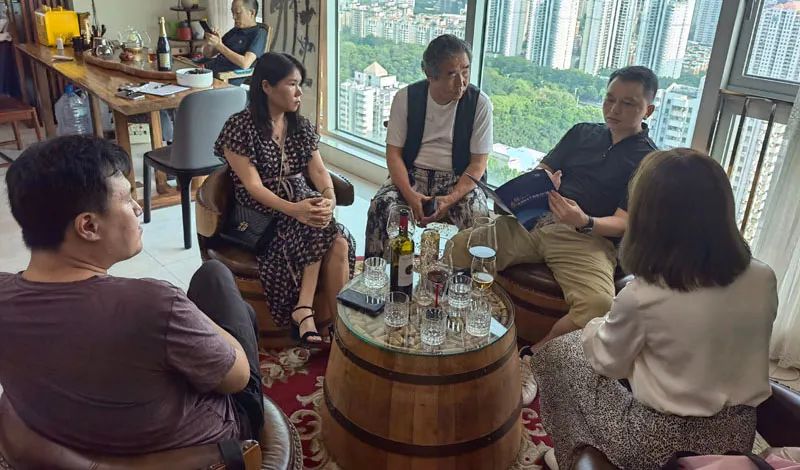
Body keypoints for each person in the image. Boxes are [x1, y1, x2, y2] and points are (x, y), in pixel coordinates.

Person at [0, 135, 264, 454]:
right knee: (218, 279)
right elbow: (238, 378)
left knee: (216, 286)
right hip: (197, 447)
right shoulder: (152, 303)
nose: (138, 208)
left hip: (73, 440)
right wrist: (194, 318)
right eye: (126, 199)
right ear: (88, 226)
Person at [530, 148, 778, 469]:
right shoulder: (763, 276)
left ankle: (573, 452)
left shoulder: (644, 294)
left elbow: (608, 363)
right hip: (736, 436)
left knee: (557, 355)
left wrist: (596, 326)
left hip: (658, 445)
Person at [450, 65, 659, 349]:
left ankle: (532, 357)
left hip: (587, 240)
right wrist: (541, 183)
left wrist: (584, 220)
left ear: (648, 111)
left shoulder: (648, 161)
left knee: (597, 305)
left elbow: (623, 222)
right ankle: (453, 324)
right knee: (458, 247)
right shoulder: (582, 133)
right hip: (538, 220)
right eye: (610, 99)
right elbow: (543, 170)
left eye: (628, 103)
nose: (614, 109)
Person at [214, 52, 355, 346]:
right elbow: (253, 186)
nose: (299, 92)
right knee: (321, 227)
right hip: (260, 212)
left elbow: (319, 171)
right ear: (266, 86)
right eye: (292, 84)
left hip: (301, 205)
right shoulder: (239, 127)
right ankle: (305, 311)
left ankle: (339, 326)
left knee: (338, 240)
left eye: (300, 84)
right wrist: (295, 210)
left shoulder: (299, 126)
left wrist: (328, 198)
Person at [364, 34, 493, 259]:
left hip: (458, 178)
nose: (461, 82)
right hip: (412, 175)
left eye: (465, 71)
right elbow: (394, 155)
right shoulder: (406, 98)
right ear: (430, 75)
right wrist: (410, 195)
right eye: (451, 74)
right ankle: (381, 273)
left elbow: (478, 164)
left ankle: (465, 277)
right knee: (381, 206)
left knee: (478, 216)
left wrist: (449, 199)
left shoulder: (479, 104)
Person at [160, 0, 268, 145]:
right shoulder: (234, 31)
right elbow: (208, 53)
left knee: (178, 98)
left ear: (252, 13)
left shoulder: (259, 33)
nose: (234, 17)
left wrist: (220, 45)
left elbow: (245, 63)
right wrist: (211, 41)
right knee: (168, 90)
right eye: (232, 13)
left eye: (238, 13)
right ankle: (173, 138)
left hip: (222, 80)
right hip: (205, 72)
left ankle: (176, 139)